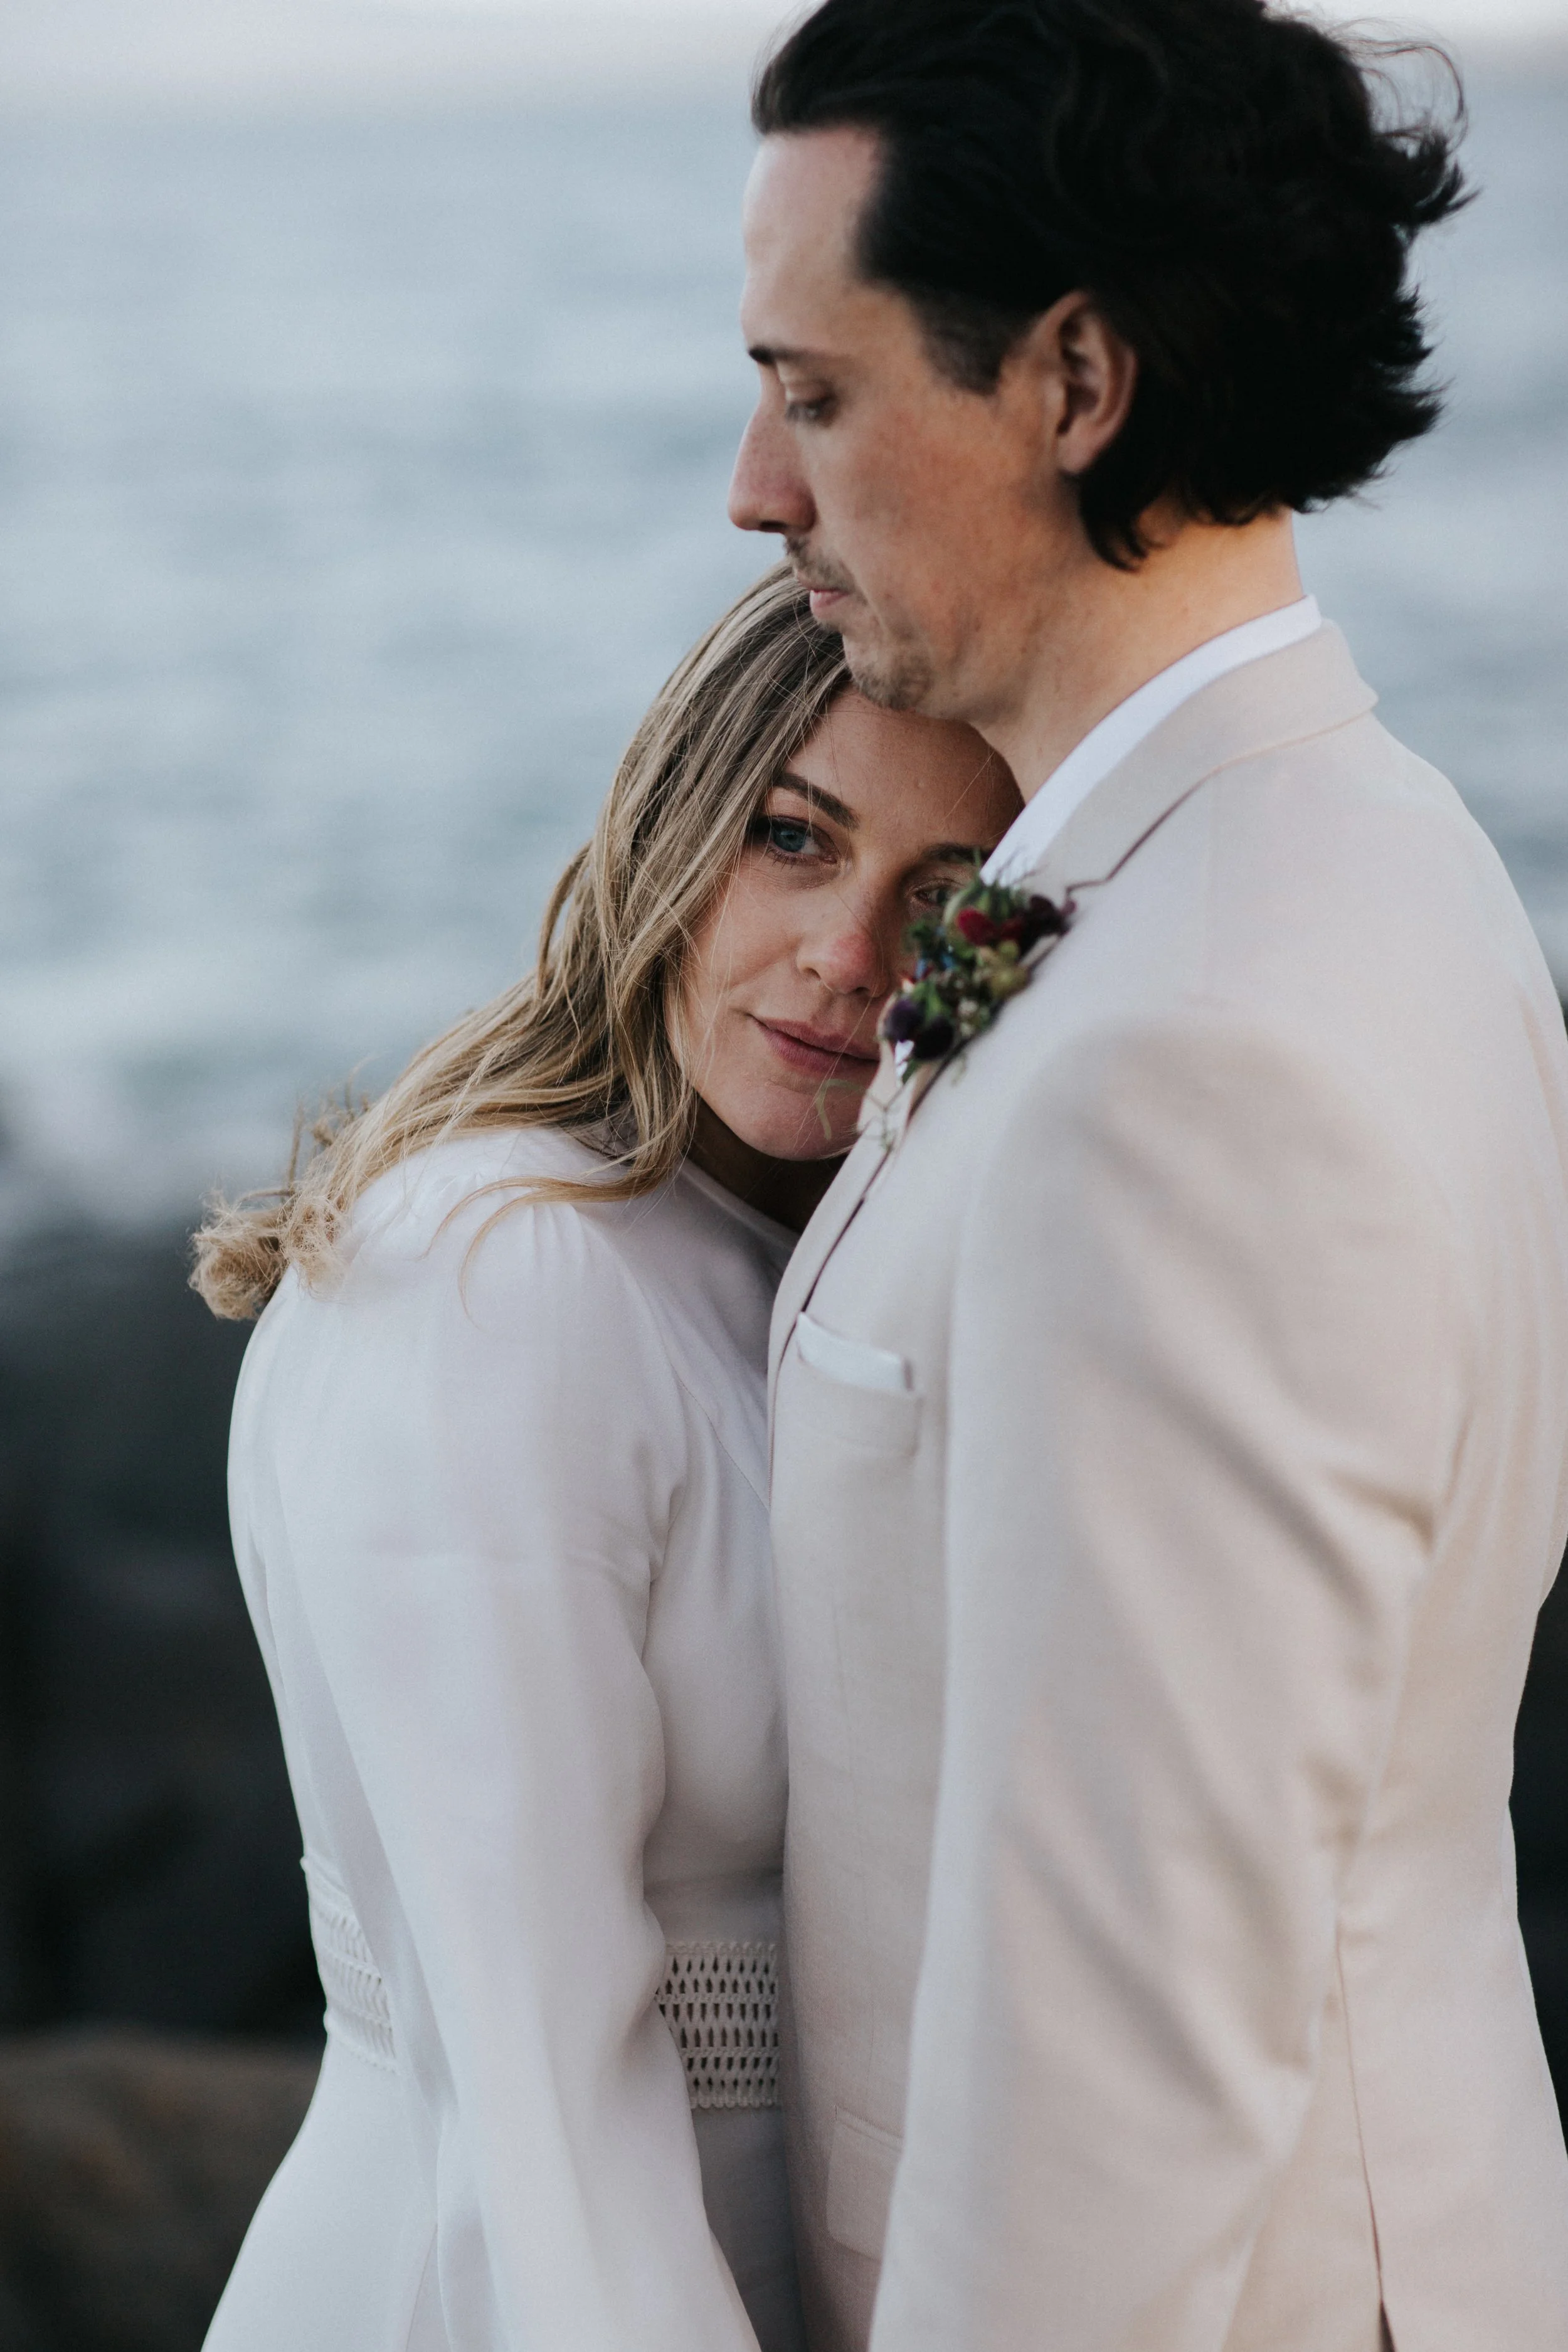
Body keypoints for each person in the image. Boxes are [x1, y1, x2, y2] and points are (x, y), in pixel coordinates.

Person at [733, 6, 1568, 2350]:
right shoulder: (1370, 844)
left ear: (1073, 383)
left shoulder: (1189, 1049)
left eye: (813, 391)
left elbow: (1126, 2058)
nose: (752, 487)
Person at [191, 564, 1019, 2352]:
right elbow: (544, 2080)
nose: (846, 959)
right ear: (672, 817)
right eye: (795, 839)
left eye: (940, 902)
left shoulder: (762, 1262)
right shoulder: (498, 1275)